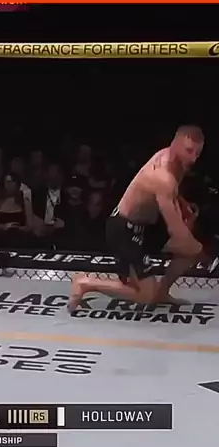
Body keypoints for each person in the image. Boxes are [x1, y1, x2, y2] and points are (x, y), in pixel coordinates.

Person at [68, 126, 205, 311]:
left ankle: (162, 292)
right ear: (175, 144)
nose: (193, 158)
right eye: (189, 151)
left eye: (197, 153)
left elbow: (168, 192)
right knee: (146, 295)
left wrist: (181, 203)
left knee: (189, 251)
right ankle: (86, 283)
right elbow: (176, 232)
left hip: (147, 227)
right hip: (124, 229)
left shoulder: (173, 159)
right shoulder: (162, 176)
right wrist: (203, 253)